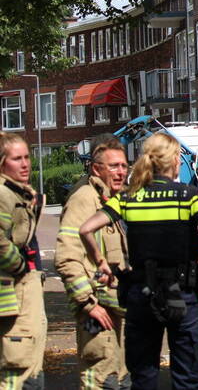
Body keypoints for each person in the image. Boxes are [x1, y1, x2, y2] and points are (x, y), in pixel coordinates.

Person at [79, 133, 198, 390]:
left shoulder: (128, 197)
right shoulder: (189, 196)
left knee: (143, 375)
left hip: (141, 293)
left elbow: (86, 229)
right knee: (186, 375)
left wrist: (100, 261)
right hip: (183, 293)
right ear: (173, 160)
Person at [55, 135, 130, 389]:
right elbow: (67, 256)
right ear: (96, 169)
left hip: (117, 311)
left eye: (123, 165)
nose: (121, 172)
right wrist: (88, 304)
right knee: (101, 381)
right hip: (98, 312)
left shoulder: (112, 199)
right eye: (114, 166)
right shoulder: (85, 199)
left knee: (121, 380)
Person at [0, 133, 45, 389]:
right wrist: (19, 265)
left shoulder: (19, 193)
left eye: (27, 157)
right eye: (17, 159)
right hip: (14, 297)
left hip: (26, 298)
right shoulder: (3, 195)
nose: (25, 164)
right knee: (16, 373)